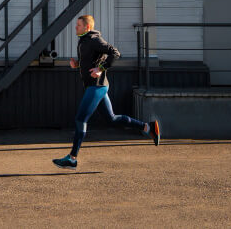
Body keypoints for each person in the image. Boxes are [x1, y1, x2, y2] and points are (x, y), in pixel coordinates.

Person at [52, 14, 160, 170]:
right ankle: (148, 128)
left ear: (87, 27)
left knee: (80, 119)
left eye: (79, 25)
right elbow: (91, 60)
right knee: (112, 119)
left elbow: (115, 53)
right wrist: (77, 65)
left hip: (97, 86)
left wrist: (101, 69)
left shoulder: (95, 40)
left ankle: (72, 159)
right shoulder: (84, 40)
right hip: (96, 86)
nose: (76, 27)